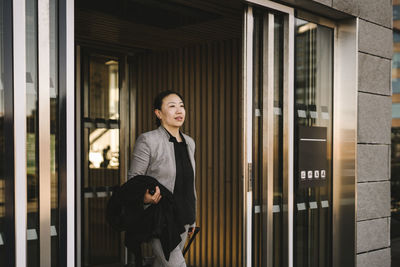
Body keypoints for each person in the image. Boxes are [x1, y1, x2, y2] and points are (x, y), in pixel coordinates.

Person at [128, 90, 196, 267]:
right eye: (172, 106)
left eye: (181, 106)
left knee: (162, 264)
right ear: (158, 113)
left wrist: (193, 218)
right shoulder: (148, 140)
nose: (179, 110)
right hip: (160, 218)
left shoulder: (189, 142)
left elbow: (189, 182)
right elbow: (134, 179)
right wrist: (144, 197)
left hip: (184, 217)